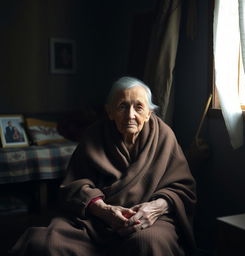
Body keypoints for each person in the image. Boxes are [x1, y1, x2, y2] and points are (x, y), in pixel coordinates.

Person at [10, 76, 197, 256]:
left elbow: (183, 188)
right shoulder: (94, 135)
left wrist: (154, 208)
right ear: (109, 111)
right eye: (122, 106)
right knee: (46, 243)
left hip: (148, 219)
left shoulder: (164, 136)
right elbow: (74, 185)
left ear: (149, 113)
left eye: (139, 107)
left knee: (147, 242)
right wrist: (105, 210)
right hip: (95, 219)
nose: (130, 115)